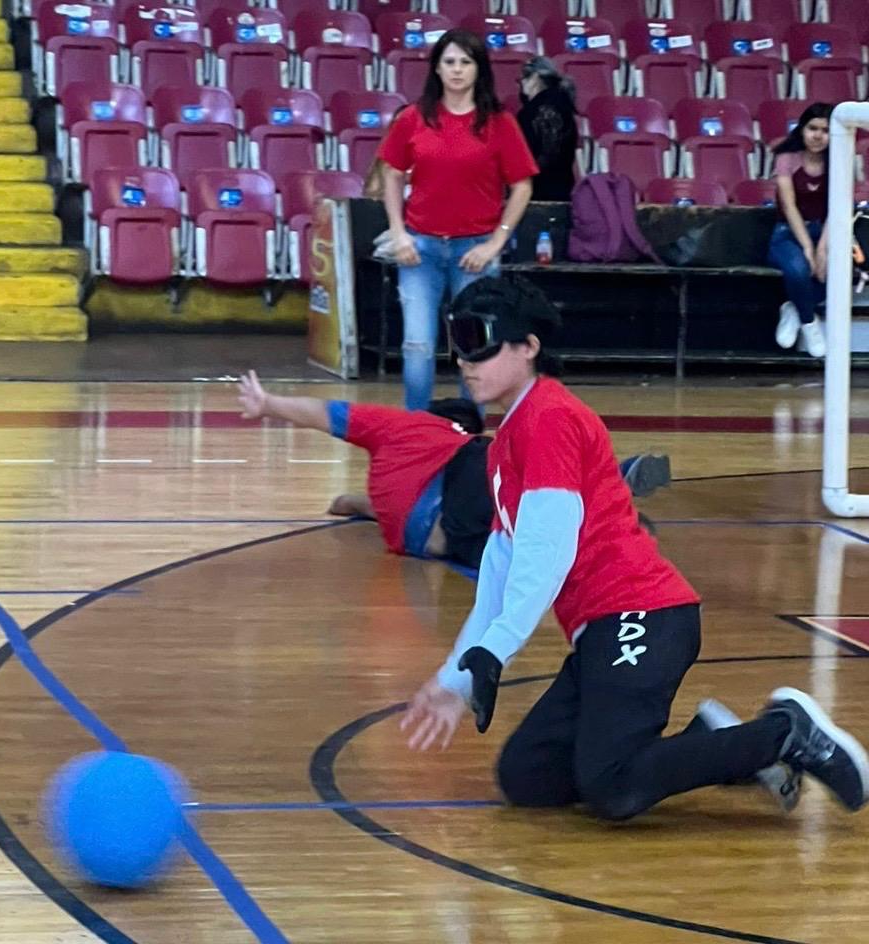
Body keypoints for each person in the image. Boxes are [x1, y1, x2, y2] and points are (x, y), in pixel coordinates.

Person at [400, 274, 869, 820]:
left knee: (612, 786)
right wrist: (455, 681)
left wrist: (498, 646)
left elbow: (546, 555)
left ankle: (783, 734)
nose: (464, 360)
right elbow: (500, 571)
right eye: (456, 343)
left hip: (641, 617)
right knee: (528, 775)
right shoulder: (507, 439)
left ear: (528, 347)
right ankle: (714, 743)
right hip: (601, 631)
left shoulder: (550, 418)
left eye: (478, 341)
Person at [233, 368, 671, 570]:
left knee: (529, 546)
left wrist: (269, 404)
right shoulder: (441, 434)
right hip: (462, 494)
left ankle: (601, 529)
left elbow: (323, 415)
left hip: (432, 539)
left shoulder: (393, 448)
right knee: (521, 462)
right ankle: (608, 484)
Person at [379, 29, 538, 411]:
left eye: (466, 62)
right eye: (449, 61)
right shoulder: (413, 118)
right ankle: (417, 429)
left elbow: (522, 186)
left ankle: (471, 430)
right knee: (417, 345)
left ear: (478, 69)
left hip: (476, 251)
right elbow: (392, 174)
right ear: (436, 68)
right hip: (420, 248)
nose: (457, 70)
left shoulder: (500, 123)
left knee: (477, 346)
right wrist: (398, 233)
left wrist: (496, 243)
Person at [769, 102, 833, 359]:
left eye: (825, 131)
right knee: (798, 269)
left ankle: (793, 309)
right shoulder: (787, 158)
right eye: (812, 128)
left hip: (825, 230)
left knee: (841, 271)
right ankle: (808, 321)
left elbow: (837, 208)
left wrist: (822, 249)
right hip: (788, 231)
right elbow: (789, 205)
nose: (818, 136)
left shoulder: (839, 160)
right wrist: (807, 246)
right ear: (802, 129)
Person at [515, 56, 579, 202]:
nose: (522, 82)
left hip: (535, 192)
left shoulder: (534, 111)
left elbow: (542, 154)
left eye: (524, 77)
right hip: (562, 190)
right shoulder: (564, 105)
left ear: (535, 77)